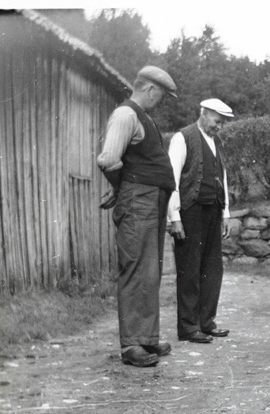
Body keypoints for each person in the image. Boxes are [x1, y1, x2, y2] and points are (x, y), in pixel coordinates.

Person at [97, 66, 178, 367]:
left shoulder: (143, 117)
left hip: (151, 199)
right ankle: (132, 346)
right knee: (134, 268)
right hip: (139, 201)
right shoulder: (126, 115)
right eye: (163, 96)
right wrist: (121, 190)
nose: (163, 102)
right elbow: (108, 159)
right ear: (150, 90)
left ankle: (147, 338)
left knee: (149, 270)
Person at [167, 99, 235, 343]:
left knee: (212, 269)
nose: (219, 127)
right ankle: (188, 327)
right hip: (190, 211)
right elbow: (171, 179)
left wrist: (225, 212)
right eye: (217, 122)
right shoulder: (182, 138)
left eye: (222, 123)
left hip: (213, 211)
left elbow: (222, 177)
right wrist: (174, 216)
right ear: (204, 114)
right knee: (189, 269)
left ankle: (206, 323)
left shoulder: (217, 142)